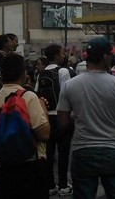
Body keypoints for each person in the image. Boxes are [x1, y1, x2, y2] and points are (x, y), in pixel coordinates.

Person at [57, 37, 115, 198]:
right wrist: (114, 115)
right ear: (105, 57)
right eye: (110, 54)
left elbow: (62, 122)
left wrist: (79, 115)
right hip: (112, 150)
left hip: (82, 150)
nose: (113, 57)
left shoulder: (69, 85)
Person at [0, 53, 50, 199]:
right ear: (24, 73)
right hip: (30, 167)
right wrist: (43, 109)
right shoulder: (29, 96)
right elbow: (44, 134)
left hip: (3, 168)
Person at [37, 44, 74, 196]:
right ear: (57, 54)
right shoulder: (63, 71)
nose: (64, 54)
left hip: (46, 117)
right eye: (62, 52)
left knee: (49, 153)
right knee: (64, 152)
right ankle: (64, 185)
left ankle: (50, 185)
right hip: (61, 115)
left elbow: (37, 94)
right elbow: (66, 93)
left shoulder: (41, 73)